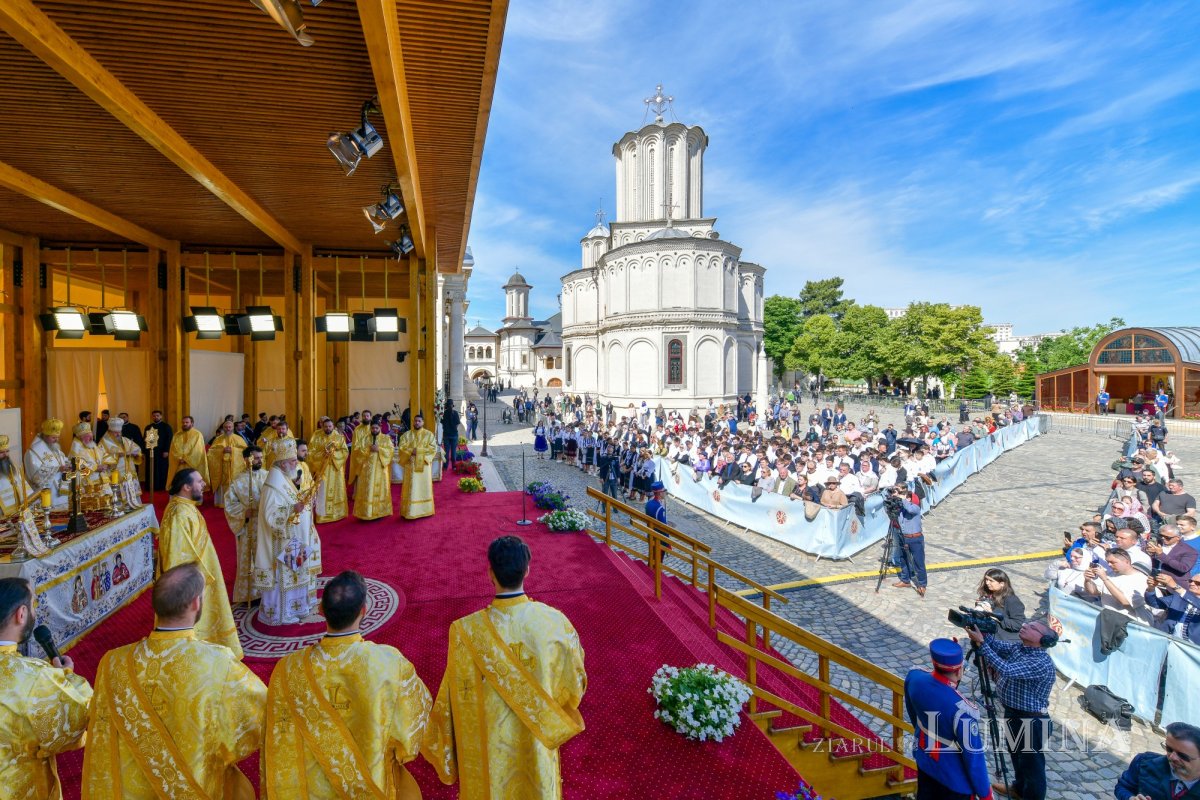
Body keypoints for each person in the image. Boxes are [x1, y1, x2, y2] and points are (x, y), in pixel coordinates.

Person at [82, 563, 267, 797]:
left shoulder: (112, 662)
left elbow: (99, 733)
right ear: (196, 603)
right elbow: (261, 720)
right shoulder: (217, 663)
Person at [423, 536, 586, 799]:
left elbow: (451, 700)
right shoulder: (555, 622)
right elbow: (575, 686)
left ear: (490, 573)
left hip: (489, 754)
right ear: (527, 570)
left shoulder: (465, 632)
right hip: (536, 741)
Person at [264, 570, 432, 799]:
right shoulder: (389, 664)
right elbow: (413, 732)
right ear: (363, 612)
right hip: (371, 783)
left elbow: (277, 740)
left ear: (321, 611)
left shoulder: (287, 669)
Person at [0, 577, 92, 797]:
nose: (34, 612)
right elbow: (79, 717)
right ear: (21, 614)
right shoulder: (32, 676)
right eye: (34, 605)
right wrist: (66, 677)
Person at [966, 619, 1057, 800]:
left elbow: (1006, 669)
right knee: (1016, 757)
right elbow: (996, 644)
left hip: (1032, 720)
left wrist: (982, 644)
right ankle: (1018, 789)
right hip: (1014, 713)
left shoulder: (1041, 662)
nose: (1025, 626)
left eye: (1032, 628)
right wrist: (981, 629)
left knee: (1033, 767)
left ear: (1044, 640)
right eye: (1027, 624)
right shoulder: (1020, 648)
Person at [158, 468, 243, 657]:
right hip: (194, 583)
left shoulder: (185, 507)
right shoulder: (179, 514)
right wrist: (197, 583)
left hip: (200, 575)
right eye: (199, 481)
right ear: (186, 487)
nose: (204, 484)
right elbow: (177, 556)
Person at [903, 638, 991, 800]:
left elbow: (913, 714)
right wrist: (986, 794)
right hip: (953, 780)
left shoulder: (914, 678)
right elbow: (973, 758)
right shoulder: (962, 710)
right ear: (958, 672)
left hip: (924, 759)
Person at [255, 439, 322, 626]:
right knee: (285, 579)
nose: (296, 463)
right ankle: (282, 614)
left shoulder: (283, 478)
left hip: (292, 540)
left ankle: (297, 608)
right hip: (281, 543)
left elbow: (292, 500)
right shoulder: (272, 485)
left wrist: (303, 500)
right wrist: (293, 509)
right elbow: (271, 516)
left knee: (296, 574)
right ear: (282, 463)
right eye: (293, 461)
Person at [225, 445, 267, 605]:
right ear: (246, 459)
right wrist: (243, 512)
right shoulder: (238, 481)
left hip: (266, 525)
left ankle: (268, 589)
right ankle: (252, 593)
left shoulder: (267, 476)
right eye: (256, 458)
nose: (260, 461)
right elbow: (229, 505)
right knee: (249, 558)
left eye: (261, 458)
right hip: (248, 526)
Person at [1115, 721, 1200, 800]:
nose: (1172, 757)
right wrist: (1131, 798)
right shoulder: (1143, 762)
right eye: (1169, 749)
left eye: (1182, 755)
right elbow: (1123, 787)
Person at [396, 413, 437, 520]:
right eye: (415, 421)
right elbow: (401, 447)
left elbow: (433, 448)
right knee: (411, 486)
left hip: (423, 466)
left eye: (419, 421)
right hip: (410, 465)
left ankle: (425, 510)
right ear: (413, 422)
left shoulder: (429, 435)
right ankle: (409, 510)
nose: (417, 423)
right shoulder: (406, 435)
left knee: (422, 486)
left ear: (423, 422)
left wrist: (418, 451)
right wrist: (410, 451)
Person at [309, 415, 350, 523]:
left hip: (335, 469)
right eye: (326, 426)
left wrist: (333, 454)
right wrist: (323, 454)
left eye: (330, 426)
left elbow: (345, 452)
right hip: (322, 469)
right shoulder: (316, 436)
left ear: (333, 426)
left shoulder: (339, 437)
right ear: (322, 426)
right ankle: (322, 515)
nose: (328, 428)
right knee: (322, 491)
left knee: (337, 490)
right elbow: (310, 452)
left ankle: (338, 513)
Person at [24, 418, 71, 510]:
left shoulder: (53, 447)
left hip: (61, 486)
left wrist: (69, 463)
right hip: (48, 490)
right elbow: (35, 474)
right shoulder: (33, 452)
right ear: (45, 435)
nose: (56, 440)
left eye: (57, 437)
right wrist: (58, 469)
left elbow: (60, 459)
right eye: (53, 437)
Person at [354, 417, 395, 521]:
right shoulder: (365, 439)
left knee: (381, 488)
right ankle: (367, 511)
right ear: (370, 428)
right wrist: (368, 450)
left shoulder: (386, 438)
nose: (374, 430)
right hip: (367, 470)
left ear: (380, 428)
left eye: (376, 428)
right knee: (368, 489)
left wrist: (379, 449)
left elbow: (391, 451)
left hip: (381, 469)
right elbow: (358, 452)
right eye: (372, 428)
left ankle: (381, 511)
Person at [97, 417, 143, 508]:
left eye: (119, 432)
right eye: (115, 432)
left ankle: (133, 504)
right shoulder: (103, 443)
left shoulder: (125, 440)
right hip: (115, 473)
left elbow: (136, 448)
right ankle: (119, 507)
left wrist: (136, 454)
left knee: (131, 490)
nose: (118, 434)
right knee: (118, 493)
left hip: (129, 471)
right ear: (109, 432)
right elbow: (101, 458)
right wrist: (118, 455)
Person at [890, 486, 928, 597]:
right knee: (903, 559)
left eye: (905, 497)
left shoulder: (915, 507)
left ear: (909, 499)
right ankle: (905, 580)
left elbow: (910, 509)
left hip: (915, 538)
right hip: (904, 537)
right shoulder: (900, 509)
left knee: (918, 562)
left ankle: (922, 584)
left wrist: (901, 498)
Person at [207, 418, 248, 508]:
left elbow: (245, 451)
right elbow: (211, 452)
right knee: (222, 484)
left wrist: (233, 450)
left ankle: (234, 501)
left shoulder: (239, 439)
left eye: (230, 427)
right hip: (222, 466)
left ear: (233, 428)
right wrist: (222, 450)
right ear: (223, 428)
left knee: (234, 483)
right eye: (226, 427)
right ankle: (221, 502)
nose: (228, 429)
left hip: (235, 466)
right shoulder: (218, 439)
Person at [975, 569, 1027, 642]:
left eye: (991, 581)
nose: (987, 583)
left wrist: (994, 615)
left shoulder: (1012, 600)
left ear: (1002, 583)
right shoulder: (989, 594)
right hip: (988, 636)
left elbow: (1018, 624)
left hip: (1004, 641)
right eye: (986, 579)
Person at [165, 415, 209, 495]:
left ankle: (193, 499)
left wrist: (185, 459)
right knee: (180, 482)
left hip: (192, 464)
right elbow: (173, 449)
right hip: (179, 464)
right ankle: (179, 498)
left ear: (192, 423)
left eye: (187, 422)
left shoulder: (197, 434)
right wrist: (179, 458)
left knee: (191, 482)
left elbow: (197, 450)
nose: (184, 424)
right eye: (183, 422)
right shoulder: (177, 435)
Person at [143, 409, 173, 492]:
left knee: (162, 469)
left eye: (157, 416)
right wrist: (144, 452)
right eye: (154, 416)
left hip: (162, 452)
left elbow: (169, 439)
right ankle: (151, 486)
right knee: (151, 468)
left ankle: (161, 486)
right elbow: (145, 440)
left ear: (161, 416)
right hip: (150, 452)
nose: (156, 417)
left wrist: (166, 451)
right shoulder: (149, 427)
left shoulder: (166, 427)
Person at [442, 399, 462, 469]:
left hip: (446, 434)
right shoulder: (455, 413)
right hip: (454, 434)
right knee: (453, 451)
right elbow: (457, 424)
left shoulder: (444, 413)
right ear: (452, 405)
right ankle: (454, 466)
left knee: (446, 451)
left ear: (446, 406)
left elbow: (442, 423)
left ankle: (445, 466)